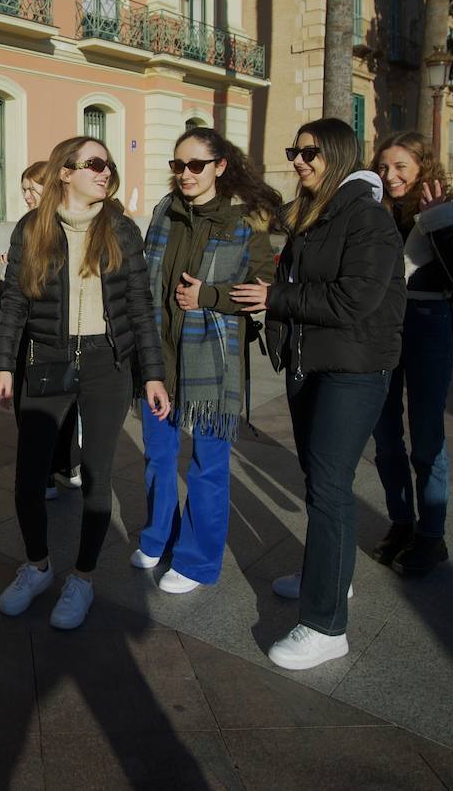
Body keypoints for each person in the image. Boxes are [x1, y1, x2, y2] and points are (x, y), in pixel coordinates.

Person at [233, 117, 403, 671]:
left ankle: (327, 625)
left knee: (329, 487)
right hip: (311, 364)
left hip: (352, 369)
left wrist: (275, 299)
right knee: (321, 483)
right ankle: (330, 576)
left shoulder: (367, 217)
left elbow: (355, 300)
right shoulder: (314, 214)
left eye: (310, 152)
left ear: (338, 154)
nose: (299, 161)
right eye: (295, 151)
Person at [0, 136, 171, 630]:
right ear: (65, 172)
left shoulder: (121, 229)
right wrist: (3, 364)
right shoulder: (33, 228)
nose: (104, 171)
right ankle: (37, 567)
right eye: (93, 163)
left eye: (107, 164)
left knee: (96, 474)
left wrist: (153, 374)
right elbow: (15, 302)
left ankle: (83, 578)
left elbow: (140, 306)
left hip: (106, 363)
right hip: (45, 359)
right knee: (30, 475)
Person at [136, 127, 281, 594]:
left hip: (212, 364)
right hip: (161, 356)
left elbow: (262, 289)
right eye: (178, 165)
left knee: (208, 466)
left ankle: (197, 562)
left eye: (196, 165)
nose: (186, 174)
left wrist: (210, 296)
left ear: (220, 166)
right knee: (159, 456)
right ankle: (159, 536)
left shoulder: (246, 221)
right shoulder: (166, 212)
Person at [368, 132, 453, 576]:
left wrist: (440, 222)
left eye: (400, 166)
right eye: (383, 166)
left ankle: (432, 535)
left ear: (423, 167)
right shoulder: (374, 208)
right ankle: (402, 522)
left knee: (427, 438)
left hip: (428, 324)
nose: (390, 175)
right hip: (380, 326)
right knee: (384, 436)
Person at [0, 161, 82, 500]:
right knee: (41, 405)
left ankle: (64, 466)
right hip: (32, 333)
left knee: (58, 403)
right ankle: (51, 472)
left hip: (52, 333)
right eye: (24, 190)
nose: (28, 196)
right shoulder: (28, 227)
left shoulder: (65, 227)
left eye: (33, 189)